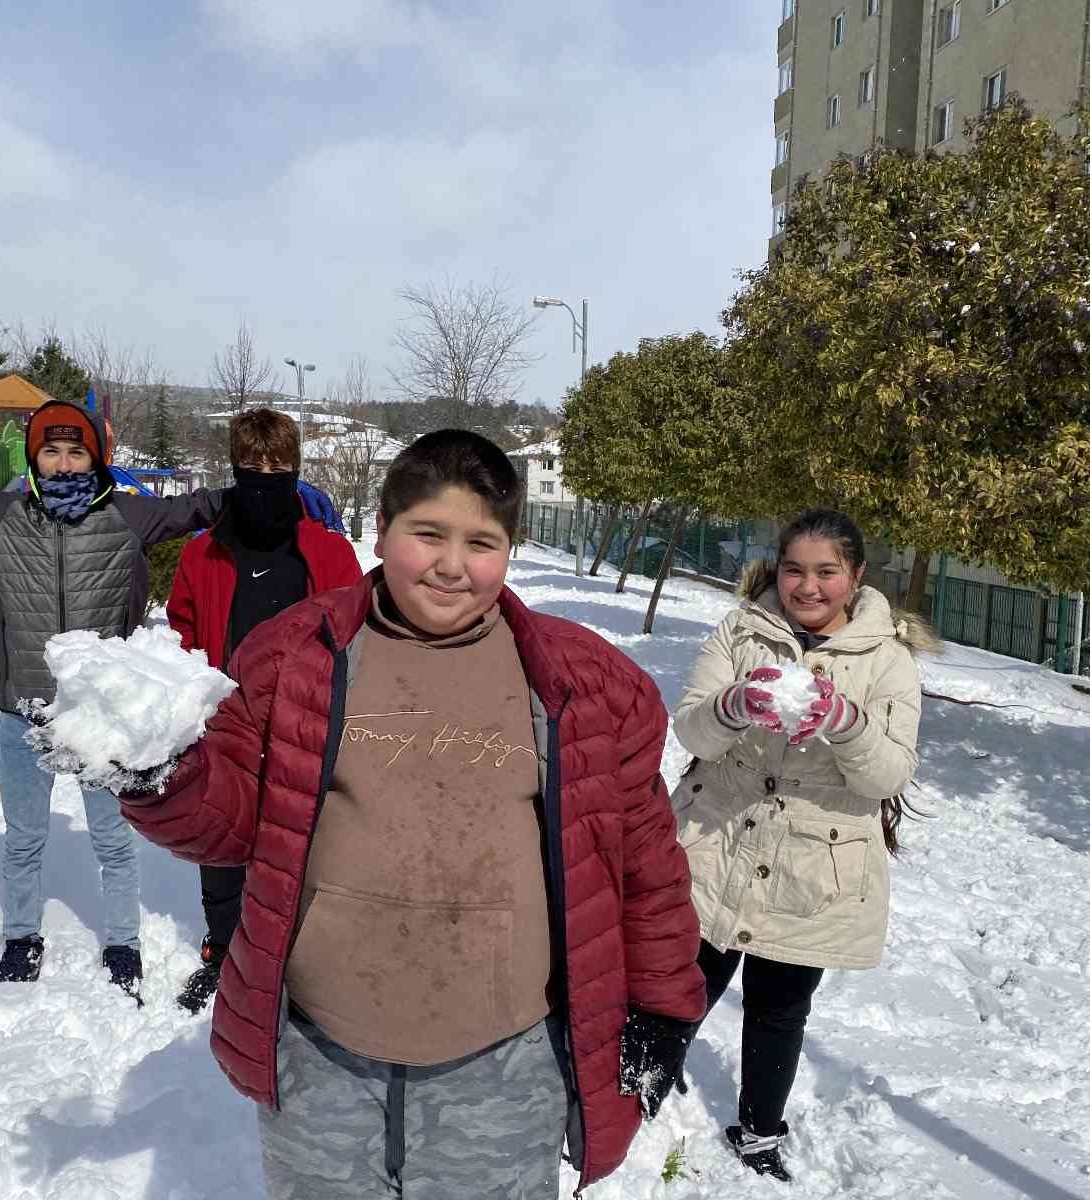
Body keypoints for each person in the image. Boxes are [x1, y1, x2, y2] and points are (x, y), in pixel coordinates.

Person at [117, 430, 705, 1198]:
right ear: (383, 529)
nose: (452, 565)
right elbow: (230, 824)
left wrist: (664, 1007)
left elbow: (645, 867)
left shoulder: (589, 686)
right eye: (427, 534)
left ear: (510, 548)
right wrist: (158, 776)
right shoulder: (295, 657)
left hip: (505, 1067)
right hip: (321, 1054)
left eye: (481, 542)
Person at [0, 392, 223, 1003]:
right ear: (35, 458)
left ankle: (122, 943)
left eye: (76, 452)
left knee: (113, 840)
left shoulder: (128, 516)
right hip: (23, 713)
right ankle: (22, 939)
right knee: (22, 838)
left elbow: (204, 508)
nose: (65, 464)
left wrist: (269, 492)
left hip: (100, 720)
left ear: (95, 459)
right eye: (52, 452)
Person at [669, 508, 931, 1182]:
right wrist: (732, 706)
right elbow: (693, 732)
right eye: (794, 569)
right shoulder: (740, 631)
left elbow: (887, 774)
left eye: (826, 572)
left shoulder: (887, 662)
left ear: (856, 575)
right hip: (717, 839)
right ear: (775, 569)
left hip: (815, 860)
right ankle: (645, 1084)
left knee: (780, 1003)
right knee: (683, 979)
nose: (807, 587)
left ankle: (759, 1129)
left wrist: (844, 722)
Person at [164, 407, 362, 1013]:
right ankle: (224, 951)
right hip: (229, 720)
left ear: (296, 472)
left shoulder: (327, 551)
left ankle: (301, 958)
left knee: (304, 844)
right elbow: (182, 631)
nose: (263, 477)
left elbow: (357, 626)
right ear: (233, 468)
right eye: (250, 466)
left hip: (307, 722)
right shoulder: (205, 555)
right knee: (223, 841)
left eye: (278, 467)